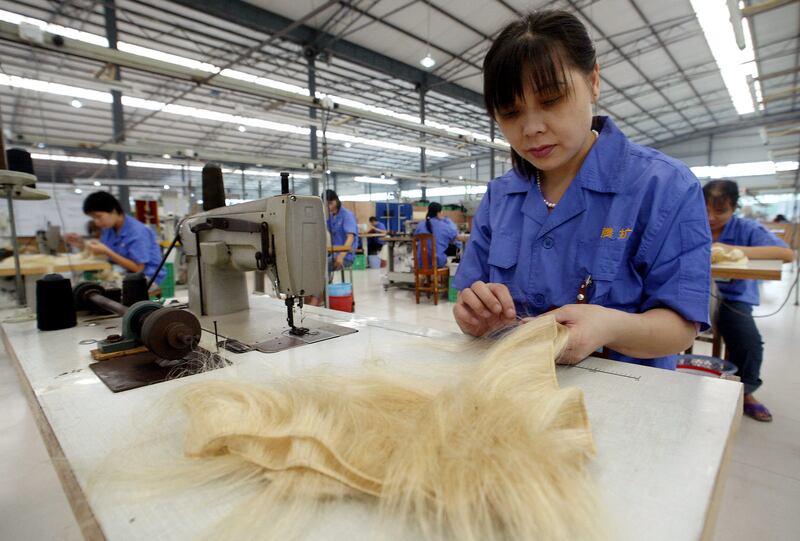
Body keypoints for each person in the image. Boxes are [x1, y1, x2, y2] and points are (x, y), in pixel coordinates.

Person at [452, 10, 712, 370]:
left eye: (551, 100)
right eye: (511, 112)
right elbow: (467, 299)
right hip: (512, 386)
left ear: (593, 81)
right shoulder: (500, 196)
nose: (532, 128)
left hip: (626, 396)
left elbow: (681, 327)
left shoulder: (663, 186)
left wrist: (609, 327)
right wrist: (474, 316)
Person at [704, 180, 794, 422]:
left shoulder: (747, 229)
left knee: (747, 341)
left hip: (732, 297)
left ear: (734, 208)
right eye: (706, 210)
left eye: (720, 211)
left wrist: (726, 248)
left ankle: (745, 392)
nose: (711, 217)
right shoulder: (692, 223)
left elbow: (786, 254)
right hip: (696, 293)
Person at [65, 191, 166, 284]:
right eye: (93, 218)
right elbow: (102, 254)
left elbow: (138, 269)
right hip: (124, 272)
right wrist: (82, 244)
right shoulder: (109, 229)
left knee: (108, 293)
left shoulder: (137, 231)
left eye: (98, 216)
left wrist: (108, 252)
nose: (96, 222)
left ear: (113, 211)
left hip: (148, 277)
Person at [413, 202, 459, 268]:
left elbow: (416, 238)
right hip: (437, 262)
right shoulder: (444, 225)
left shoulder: (421, 224)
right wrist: (447, 220)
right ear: (439, 213)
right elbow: (454, 234)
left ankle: (427, 277)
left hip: (420, 262)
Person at [325, 189, 358, 271]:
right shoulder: (331, 217)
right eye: (326, 204)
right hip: (334, 253)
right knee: (315, 262)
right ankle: (325, 283)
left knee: (321, 267)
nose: (328, 206)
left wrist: (341, 256)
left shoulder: (347, 215)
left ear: (336, 200)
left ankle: (323, 283)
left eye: (330, 203)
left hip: (346, 256)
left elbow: (350, 237)